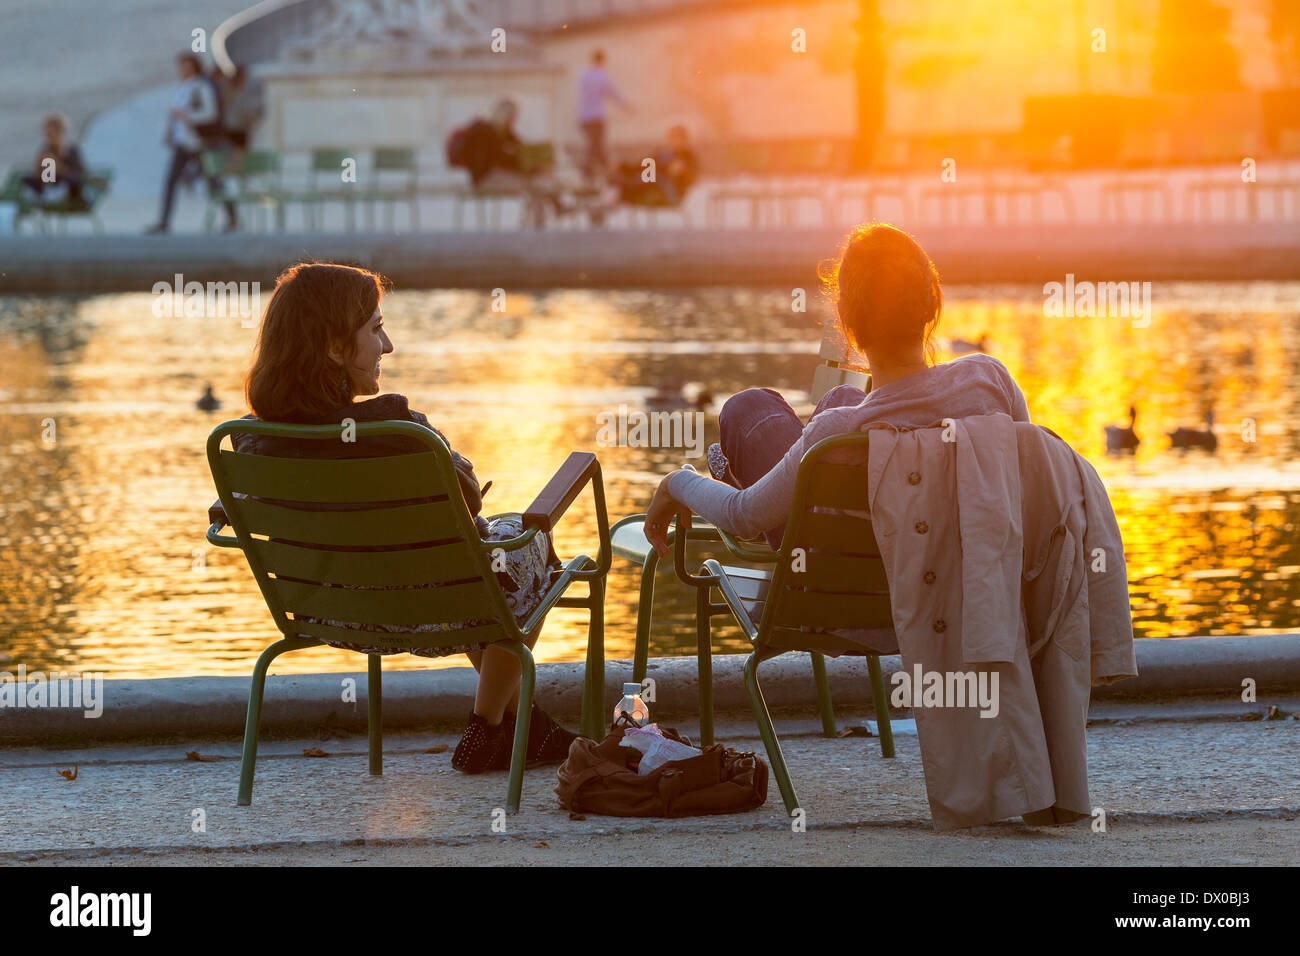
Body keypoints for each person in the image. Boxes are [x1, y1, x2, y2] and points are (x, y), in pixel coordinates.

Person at [234, 262, 576, 773]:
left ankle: (522, 725)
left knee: (479, 564)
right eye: (375, 329)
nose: (387, 346)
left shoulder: (247, 444)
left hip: (331, 613)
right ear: (333, 347)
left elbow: (236, 512)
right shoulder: (399, 431)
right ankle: (489, 726)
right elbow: (469, 504)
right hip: (436, 610)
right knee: (523, 545)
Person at [643, 223, 1032, 566]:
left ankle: (733, 472)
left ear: (847, 322)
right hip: (960, 594)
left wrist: (676, 482)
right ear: (932, 304)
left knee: (749, 409)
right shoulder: (989, 379)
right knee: (844, 397)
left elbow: (741, 515)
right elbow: (1027, 486)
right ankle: (747, 477)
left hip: (844, 603)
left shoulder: (834, 435)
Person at [147, 52, 235, 233]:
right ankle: (164, 221)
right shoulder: (182, 87)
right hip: (183, 143)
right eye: (181, 66)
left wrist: (186, 115)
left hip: (200, 143)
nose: (183, 70)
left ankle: (232, 217)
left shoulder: (201, 87)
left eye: (186, 66)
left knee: (214, 182)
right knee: (171, 181)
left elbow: (210, 114)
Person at [577, 49, 632, 180]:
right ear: (602, 60)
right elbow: (613, 92)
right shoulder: (602, 76)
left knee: (592, 143)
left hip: (584, 116)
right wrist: (626, 105)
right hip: (596, 116)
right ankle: (595, 171)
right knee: (596, 144)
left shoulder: (584, 75)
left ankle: (592, 171)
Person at [613, 124, 697, 206]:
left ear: (684, 139)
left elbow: (688, 175)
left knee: (652, 176)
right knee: (646, 172)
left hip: (670, 194)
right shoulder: (665, 153)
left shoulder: (687, 157)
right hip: (654, 187)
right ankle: (622, 186)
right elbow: (644, 164)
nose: (673, 140)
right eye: (671, 137)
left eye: (677, 137)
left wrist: (683, 170)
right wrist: (624, 167)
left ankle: (621, 191)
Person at [21, 113, 85, 205]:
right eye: (47, 134)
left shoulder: (70, 151)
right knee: (25, 179)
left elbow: (79, 177)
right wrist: (39, 167)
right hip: (48, 190)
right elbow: (42, 177)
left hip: (68, 192)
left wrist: (58, 166)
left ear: (61, 132)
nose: (49, 137)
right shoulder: (45, 150)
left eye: (52, 133)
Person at [222, 64, 265, 169]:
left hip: (230, 127)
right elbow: (245, 111)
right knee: (239, 155)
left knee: (234, 154)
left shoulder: (229, 92)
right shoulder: (241, 93)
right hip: (239, 127)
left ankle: (235, 171)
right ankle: (238, 173)